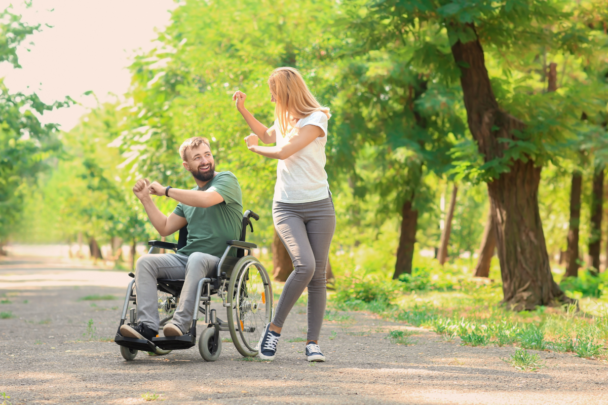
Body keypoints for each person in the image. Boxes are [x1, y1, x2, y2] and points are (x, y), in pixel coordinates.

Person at [232, 67, 336, 362]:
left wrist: (254, 149)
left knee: (317, 275)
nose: (272, 96)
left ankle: (312, 343)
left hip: (319, 206)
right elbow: (267, 135)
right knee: (305, 265)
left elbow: (282, 151)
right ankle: (274, 330)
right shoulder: (285, 119)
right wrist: (243, 109)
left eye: (273, 91)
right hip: (287, 206)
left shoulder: (316, 119)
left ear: (287, 90)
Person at [120, 136, 243, 342]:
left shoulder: (226, 180)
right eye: (197, 158)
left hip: (220, 262)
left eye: (207, 155)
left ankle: (179, 324)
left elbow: (206, 200)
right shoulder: (188, 196)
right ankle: (147, 327)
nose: (205, 160)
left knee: (196, 257)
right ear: (187, 165)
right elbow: (165, 227)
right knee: (145, 262)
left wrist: (167, 191)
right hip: (187, 260)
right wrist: (146, 200)